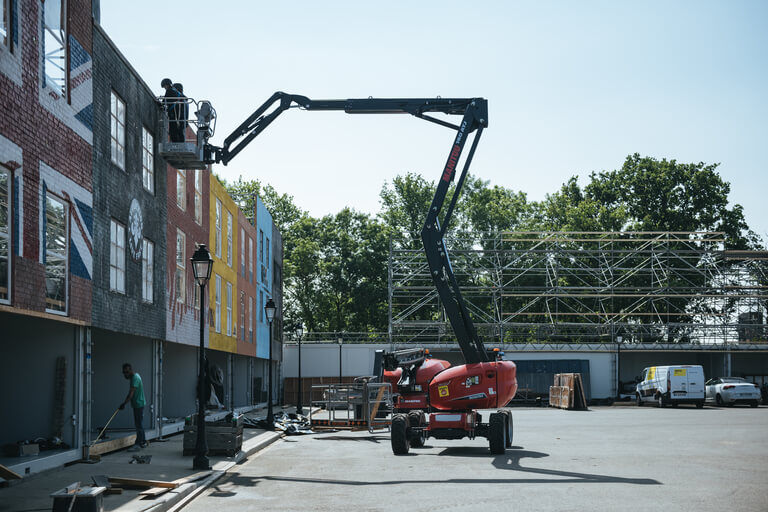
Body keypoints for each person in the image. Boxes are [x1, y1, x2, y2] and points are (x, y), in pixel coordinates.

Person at [120, 363, 147, 451]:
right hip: (139, 403)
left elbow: (131, 394)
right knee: (140, 424)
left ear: (131, 370)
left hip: (138, 404)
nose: (125, 374)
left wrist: (124, 404)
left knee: (138, 425)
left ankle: (138, 444)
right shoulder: (136, 376)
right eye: (124, 372)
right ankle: (143, 442)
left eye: (127, 372)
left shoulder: (135, 378)